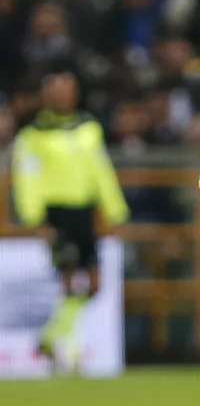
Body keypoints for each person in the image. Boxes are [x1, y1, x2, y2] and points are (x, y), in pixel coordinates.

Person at [10, 70, 129, 373]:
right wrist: (34, 217)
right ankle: (71, 352)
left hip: (85, 213)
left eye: (68, 89)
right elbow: (27, 177)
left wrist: (114, 209)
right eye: (57, 89)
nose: (64, 95)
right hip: (56, 214)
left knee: (93, 284)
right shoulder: (33, 135)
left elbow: (100, 168)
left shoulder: (88, 128)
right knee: (68, 281)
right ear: (46, 95)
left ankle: (51, 336)